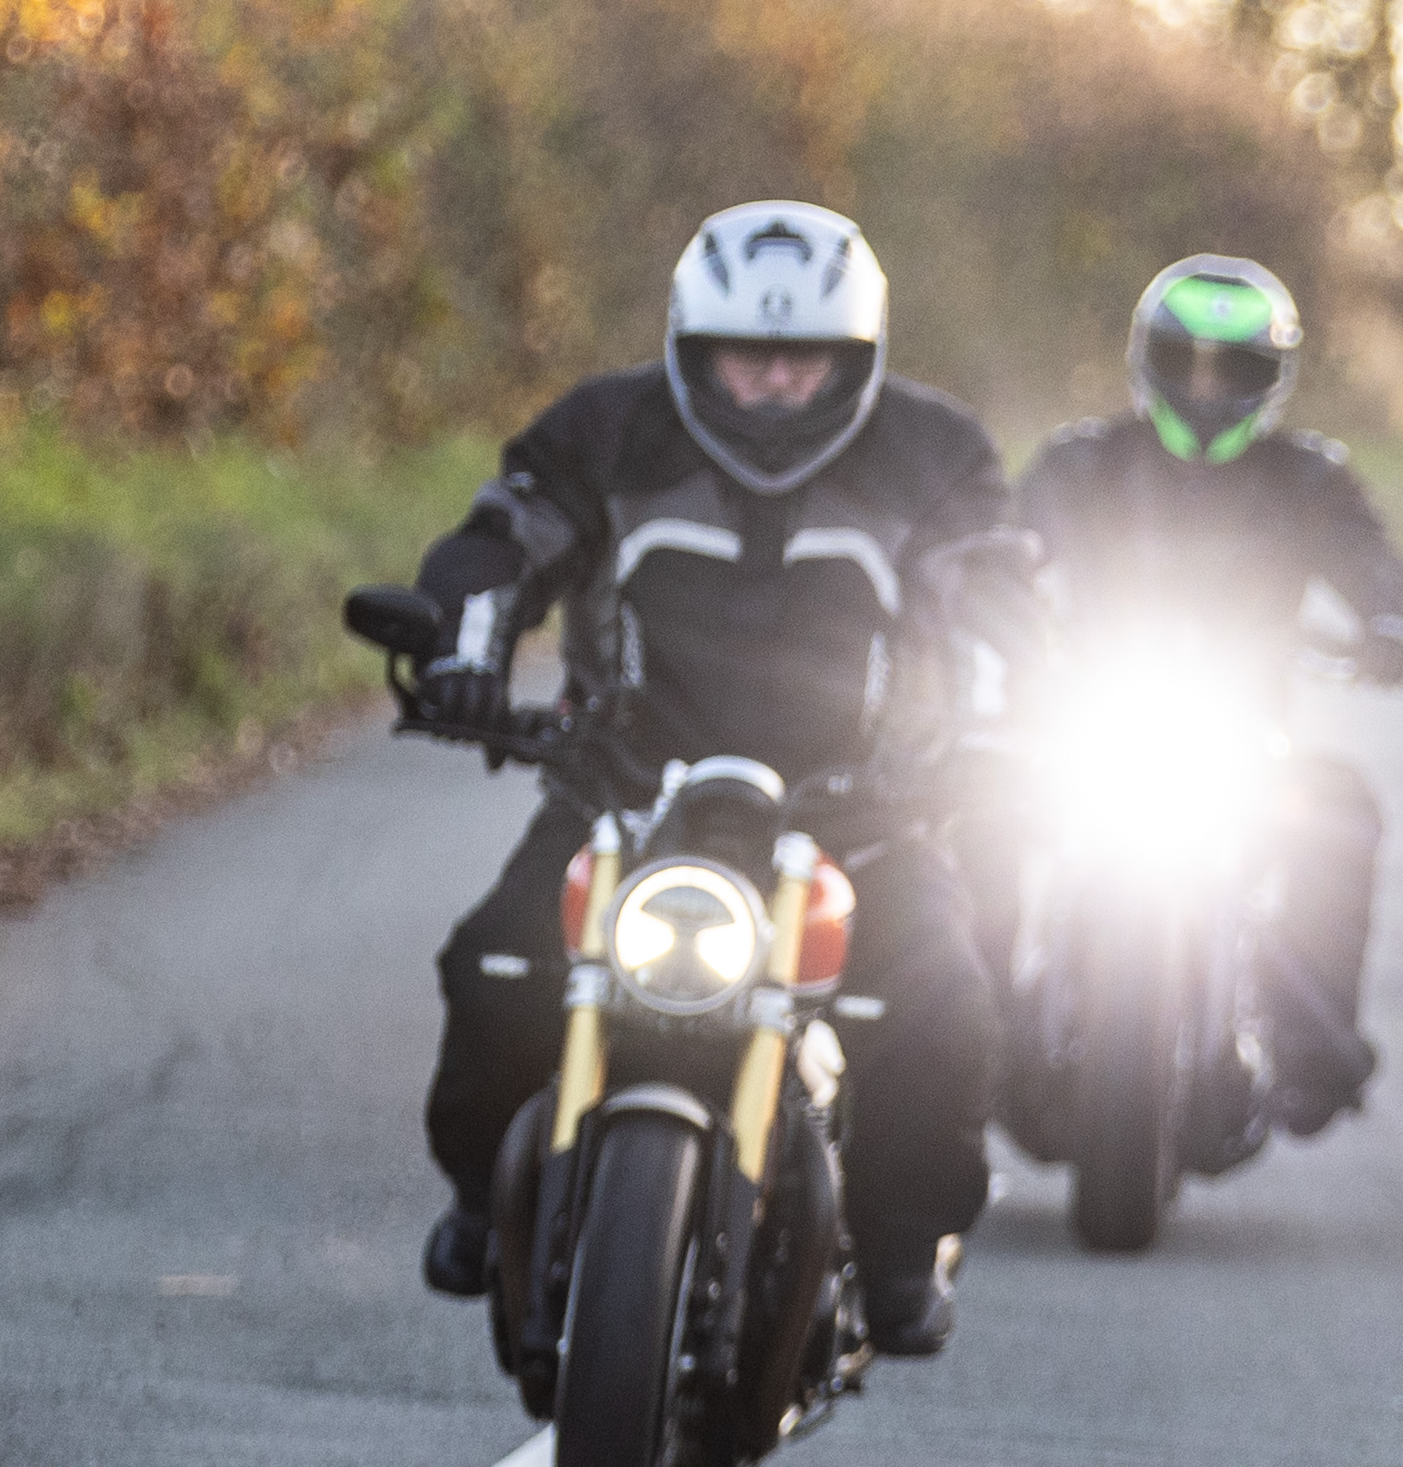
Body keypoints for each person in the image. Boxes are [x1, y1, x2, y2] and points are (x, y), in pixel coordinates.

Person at [402, 200, 1028, 1358]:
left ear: (858, 356)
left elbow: (994, 595)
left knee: (944, 1005)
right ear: (692, 347)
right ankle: (488, 1203)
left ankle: (899, 1248)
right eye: (747, 357)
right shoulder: (606, 431)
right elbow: (502, 543)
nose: (774, 386)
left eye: (804, 361)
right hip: (627, 796)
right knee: (496, 965)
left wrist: (996, 724)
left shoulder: (933, 453)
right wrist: (460, 655)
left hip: (862, 814)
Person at [1005, 256, 1403, 1131]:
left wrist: (1389, 624)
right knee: (968, 801)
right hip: (1090, 727)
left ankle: (1310, 1047)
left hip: (1246, 742)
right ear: (1145, 360)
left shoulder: (1310, 477)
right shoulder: (1083, 463)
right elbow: (1007, 551)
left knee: (1340, 811)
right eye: (1185, 363)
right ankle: (974, 1030)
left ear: (1271, 378)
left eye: (1232, 367)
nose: (1205, 388)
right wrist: (992, 611)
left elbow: (1370, 559)